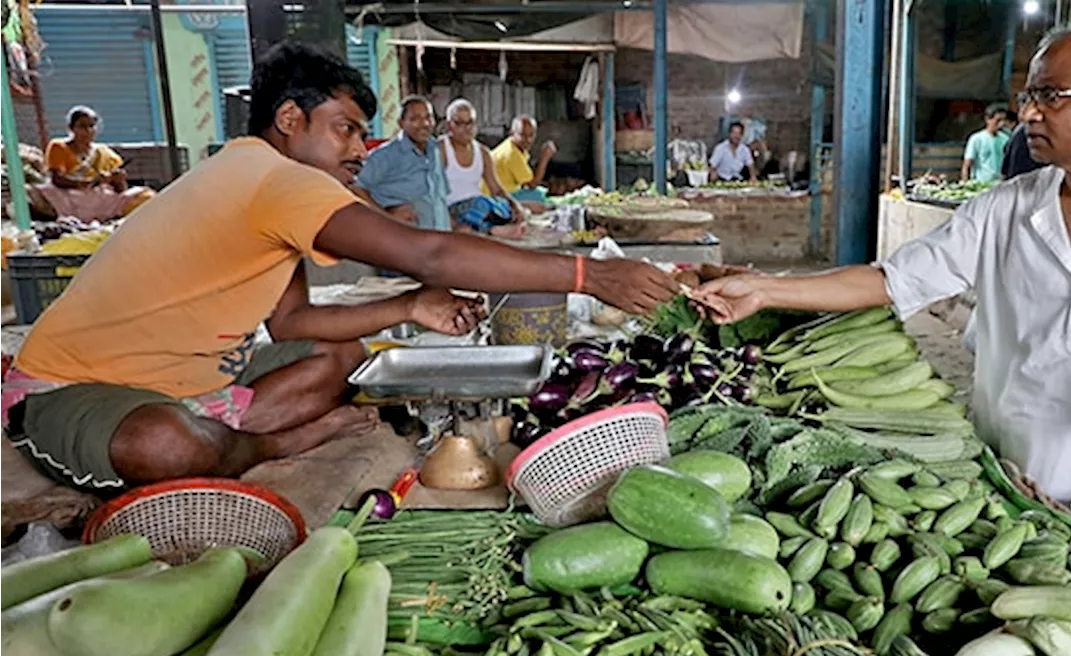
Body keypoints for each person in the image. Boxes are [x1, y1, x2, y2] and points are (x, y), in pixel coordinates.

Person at [0, 43, 676, 493]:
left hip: (196, 383)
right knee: (167, 447)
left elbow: (292, 320)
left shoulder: (259, 178)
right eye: (345, 128)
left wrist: (412, 306)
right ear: (289, 118)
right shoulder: (274, 178)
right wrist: (590, 276)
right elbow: (429, 251)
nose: (359, 147)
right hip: (76, 386)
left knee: (341, 355)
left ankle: (230, 433)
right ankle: (262, 446)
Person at [695, 21, 1071, 505]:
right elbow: (890, 281)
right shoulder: (1002, 211)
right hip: (1009, 480)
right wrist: (766, 289)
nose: (1028, 114)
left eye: (1052, 96)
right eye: (1029, 96)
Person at [28, 106, 154, 223]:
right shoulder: (59, 147)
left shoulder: (105, 153)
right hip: (68, 196)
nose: (88, 131)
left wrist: (117, 179)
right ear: (71, 128)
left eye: (91, 126)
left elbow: (120, 190)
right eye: (82, 126)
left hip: (101, 198)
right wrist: (90, 182)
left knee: (147, 196)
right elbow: (57, 180)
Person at [352, 96, 450, 231]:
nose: (425, 123)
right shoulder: (385, 155)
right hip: (404, 238)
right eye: (415, 119)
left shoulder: (435, 149)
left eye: (429, 117)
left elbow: (439, 198)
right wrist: (385, 217)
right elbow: (355, 188)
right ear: (401, 123)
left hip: (439, 236)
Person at [440, 99, 523, 238]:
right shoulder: (441, 148)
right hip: (451, 209)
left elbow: (496, 189)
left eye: (470, 122)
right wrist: (450, 222)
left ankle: (493, 226)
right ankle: (493, 230)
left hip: (478, 208)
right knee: (480, 204)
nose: (466, 128)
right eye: (459, 123)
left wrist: (515, 206)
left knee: (502, 205)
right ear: (449, 125)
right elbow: (433, 193)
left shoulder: (483, 152)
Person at [488, 115, 556, 207]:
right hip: (495, 198)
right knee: (539, 196)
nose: (528, 140)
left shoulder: (513, 146)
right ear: (512, 133)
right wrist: (544, 158)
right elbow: (533, 184)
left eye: (531, 135)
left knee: (540, 191)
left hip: (502, 192)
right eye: (522, 135)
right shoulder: (512, 154)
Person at [961, 104, 1012, 182]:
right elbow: (967, 164)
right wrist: (965, 183)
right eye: (998, 120)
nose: (1001, 124)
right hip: (981, 183)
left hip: (1000, 183)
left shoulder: (1005, 139)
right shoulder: (976, 139)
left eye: (1003, 120)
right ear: (988, 119)